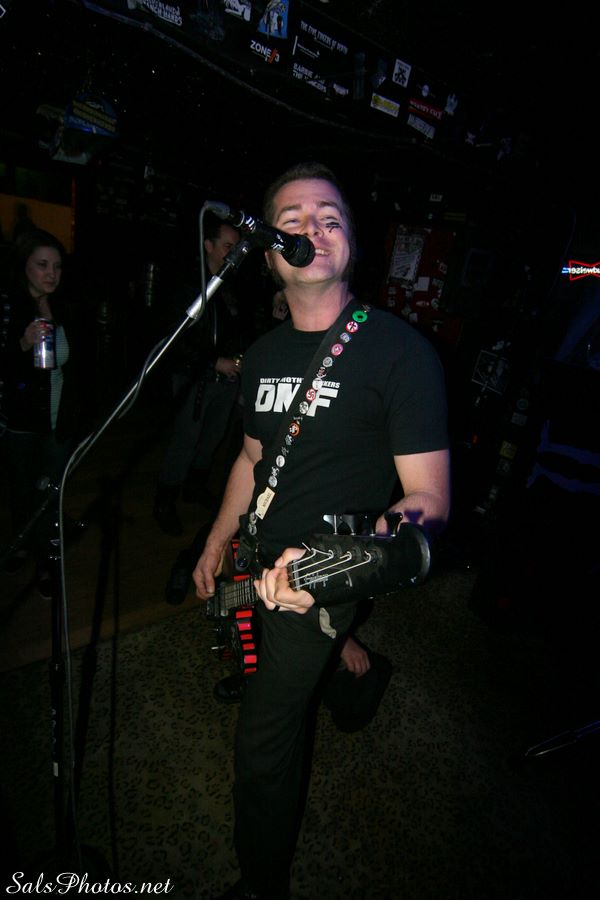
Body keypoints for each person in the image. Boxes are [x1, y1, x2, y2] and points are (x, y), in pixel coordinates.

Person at [193, 162, 451, 900]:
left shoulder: (400, 352)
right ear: (271, 252)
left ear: (351, 246)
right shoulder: (262, 354)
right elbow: (252, 458)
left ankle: (260, 883)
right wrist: (215, 539)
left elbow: (428, 499)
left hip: (325, 574)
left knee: (263, 738)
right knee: (269, 657)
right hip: (258, 554)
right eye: (293, 219)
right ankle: (353, 676)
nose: (312, 227)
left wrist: (339, 565)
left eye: (330, 217)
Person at [0, 228, 88, 595]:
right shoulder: (9, 305)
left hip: (57, 421)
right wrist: (22, 343)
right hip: (21, 420)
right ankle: (20, 542)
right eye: (42, 265)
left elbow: (80, 366)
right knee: (22, 491)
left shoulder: (65, 307)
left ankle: (47, 561)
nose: (51, 274)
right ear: (24, 266)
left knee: (51, 493)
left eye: (57, 266)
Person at [153, 215, 249, 535]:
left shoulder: (234, 286)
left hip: (227, 381)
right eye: (227, 246)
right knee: (185, 442)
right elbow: (174, 340)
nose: (234, 253)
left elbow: (238, 330)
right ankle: (164, 503)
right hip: (194, 379)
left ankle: (193, 489)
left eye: (237, 247)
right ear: (208, 245)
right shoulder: (189, 286)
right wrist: (213, 363)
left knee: (212, 438)